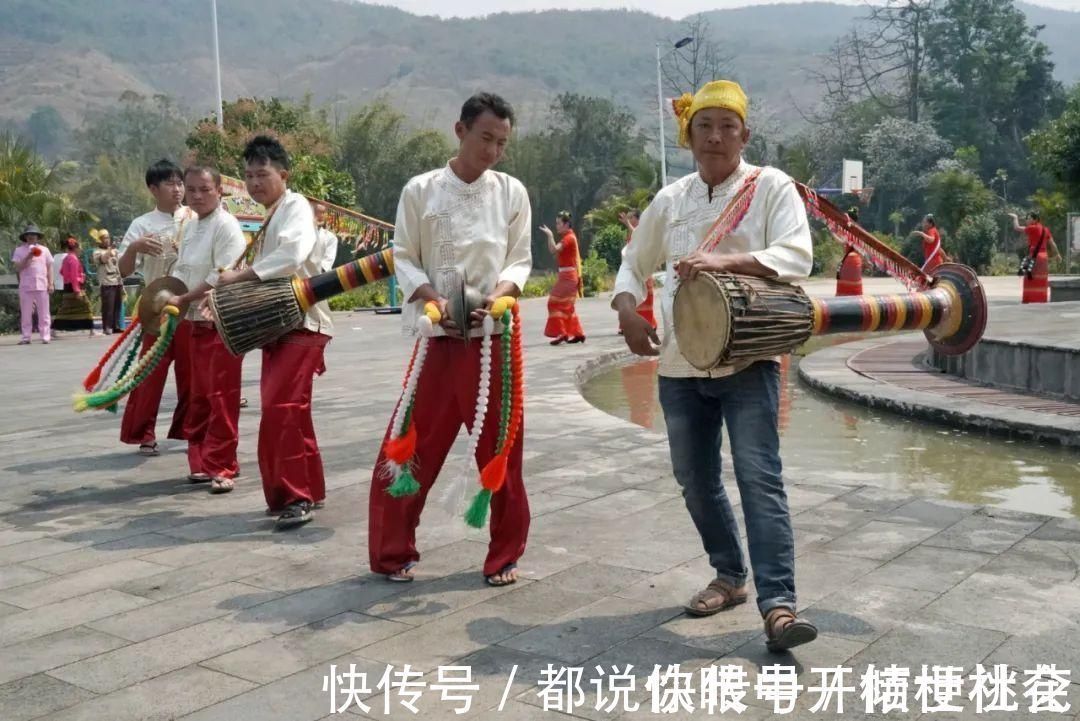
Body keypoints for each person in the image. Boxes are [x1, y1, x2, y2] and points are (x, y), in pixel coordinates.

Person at [613, 79, 818, 652]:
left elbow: (797, 254)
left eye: (727, 126)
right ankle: (729, 575)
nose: (716, 137)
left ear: (744, 134)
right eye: (704, 126)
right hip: (679, 366)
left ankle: (778, 606)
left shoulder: (769, 186)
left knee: (759, 479)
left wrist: (727, 259)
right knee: (695, 480)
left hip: (748, 364)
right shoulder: (671, 199)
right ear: (689, 135)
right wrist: (628, 309)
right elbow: (633, 262)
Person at [369, 92, 532, 586]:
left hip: (493, 338)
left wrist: (501, 296)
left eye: (502, 143)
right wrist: (432, 300)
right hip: (436, 337)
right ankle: (392, 551)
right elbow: (403, 255)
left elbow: (519, 259)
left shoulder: (511, 191)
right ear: (459, 131)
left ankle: (504, 554)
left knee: (501, 449)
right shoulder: (420, 190)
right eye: (486, 139)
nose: (493, 152)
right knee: (409, 444)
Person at [212, 135, 333, 528]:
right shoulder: (274, 212)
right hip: (281, 324)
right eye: (248, 176)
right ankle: (309, 488)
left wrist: (240, 276)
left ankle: (294, 497)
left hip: (302, 321)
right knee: (292, 410)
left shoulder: (296, 206)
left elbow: (293, 255)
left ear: (284, 174)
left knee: (280, 409)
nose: (254, 183)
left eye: (262, 174)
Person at [162, 166, 247, 493]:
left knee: (221, 395)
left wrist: (184, 296)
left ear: (219, 191)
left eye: (204, 190)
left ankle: (223, 465)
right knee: (197, 394)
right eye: (191, 189)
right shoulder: (190, 225)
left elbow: (220, 275)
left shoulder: (227, 226)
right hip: (192, 320)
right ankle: (200, 461)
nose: (196, 195)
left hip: (220, 321)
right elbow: (183, 269)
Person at [117, 159, 196, 457]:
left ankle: (190, 430)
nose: (177, 190)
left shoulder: (195, 217)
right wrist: (135, 247)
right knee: (150, 372)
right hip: (156, 308)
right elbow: (123, 271)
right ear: (153, 189)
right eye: (170, 184)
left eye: (180, 183)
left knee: (192, 373)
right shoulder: (142, 225)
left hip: (190, 305)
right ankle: (143, 434)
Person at [541, 211, 586, 345]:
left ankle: (562, 333)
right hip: (566, 276)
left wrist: (549, 235)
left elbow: (554, 249)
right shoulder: (567, 237)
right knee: (568, 307)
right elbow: (552, 250)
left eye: (559, 223)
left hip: (568, 277)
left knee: (553, 302)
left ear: (566, 224)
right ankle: (578, 333)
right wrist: (550, 237)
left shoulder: (569, 238)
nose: (557, 226)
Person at [11, 224, 53, 345]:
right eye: (29, 235)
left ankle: (45, 336)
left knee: (44, 312)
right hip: (26, 285)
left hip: (41, 284)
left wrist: (51, 283)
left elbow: (49, 266)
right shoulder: (19, 250)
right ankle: (26, 336)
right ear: (25, 237)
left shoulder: (44, 250)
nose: (31, 237)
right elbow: (18, 267)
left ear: (37, 237)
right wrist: (29, 256)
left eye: (34, 235)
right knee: (26, 312)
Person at [618, 209, 657, 332]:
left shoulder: (643, 230)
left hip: (643, 269)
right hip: (634, 269)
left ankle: (646, 324)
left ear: (638, 219)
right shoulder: (631, 232)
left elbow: (639, 238)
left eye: (631, 218)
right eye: (628, 218)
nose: (629, 220)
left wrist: (627, 224)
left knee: (644, 300)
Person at [1010, 210, 1060, 304]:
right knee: (1041, 279)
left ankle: (1029, 299)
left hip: (1034, 256)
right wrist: (1057, 254)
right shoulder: (1046, 230)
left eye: (1029, 218)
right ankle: (1041, 299)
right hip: (1044, 257)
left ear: (1035, 219)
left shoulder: (1031, 228)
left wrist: (1015, 218)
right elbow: (1052, 244)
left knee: (1029, 278)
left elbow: (1016, 227)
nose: (1027, 220)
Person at [53, 237, 96, 336]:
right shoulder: (73, 259)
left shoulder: (66, 258)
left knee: (65, 309)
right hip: (74, 287)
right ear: (75, 248)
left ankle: (53, 330)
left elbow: (62, 272)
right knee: (86, 307)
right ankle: (92, 330)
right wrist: (77, 288)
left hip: (67, 286)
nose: (80, 250)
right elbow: (73, 276)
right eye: (79, 248)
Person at [91, 230, 124, 334]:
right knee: (108, 307)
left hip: (117, 280)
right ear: (100, 241)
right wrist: (110, 250)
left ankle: (116, 326)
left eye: (108, 237)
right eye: (105, 238)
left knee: (117, 306)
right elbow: (104, 259)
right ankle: (107, 327)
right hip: (107, 282)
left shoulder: (115, 251)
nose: (107, 240)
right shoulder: (97, 252)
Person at [835, 206, 863, 296]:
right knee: (855, 291)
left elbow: (841, 241)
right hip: (857, 261)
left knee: (844, 292)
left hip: (848, 261)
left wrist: (832, 232)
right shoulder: (859, 230)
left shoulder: (848, 230)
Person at [312, 202, 340, 273]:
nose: (319, 216)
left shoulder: (331, 238)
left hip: (316, 278)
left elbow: (326, 265)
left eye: (323, 213)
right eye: (316, 212)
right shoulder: (301, 231)